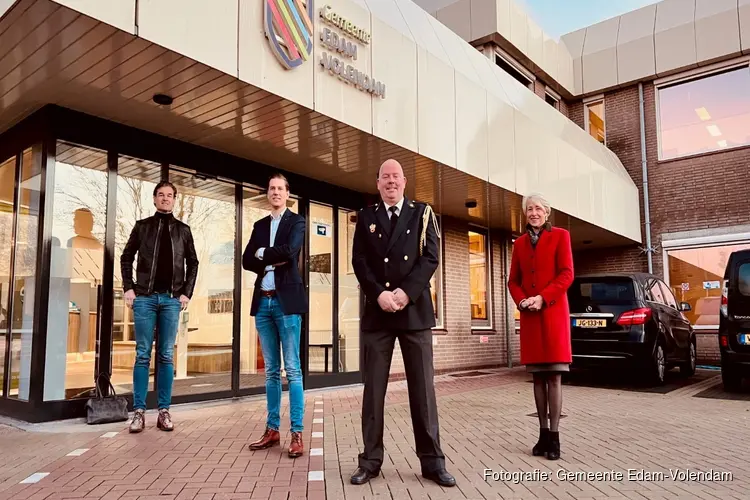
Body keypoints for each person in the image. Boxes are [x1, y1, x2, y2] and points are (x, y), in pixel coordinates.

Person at [349, 159, 455, 487]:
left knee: (422, 391)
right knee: (374, 392)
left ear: (404, 182)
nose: (391, 182)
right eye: (385, 177)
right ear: (378, 183)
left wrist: (405, 293)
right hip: (378, 314)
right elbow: (360, 261)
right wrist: (378, 294)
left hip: (414, 311)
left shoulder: (423, 213)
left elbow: (431, 257)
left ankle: (432, 461)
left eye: (396, 177)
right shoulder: (366, 216)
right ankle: (370, 460)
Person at [121, 180, 199, 433]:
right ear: (154, 199)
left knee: (166, 355)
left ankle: (164, 411)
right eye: (161, 195)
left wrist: (185, 293)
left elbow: (193, 263)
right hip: (144, 297)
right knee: (143, 354)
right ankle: (139, 412)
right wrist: (128, 287)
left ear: (174, 200)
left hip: (171, 300)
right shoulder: (142, 227)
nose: (165, 199)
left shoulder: (183, 230)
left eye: (170, 195)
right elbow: (126, 257)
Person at [243, 173, 307, 458]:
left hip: (287, 303)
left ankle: (296, 432)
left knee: (292, 369)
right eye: (272, 188)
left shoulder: (297, 221)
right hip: (264, 302)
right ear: (267, 193)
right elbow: (246, 259)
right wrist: (272, 257)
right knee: (270, 372)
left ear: (287, 193)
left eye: (280, 188)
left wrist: (262, 254)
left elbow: (290, 251)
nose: (276, 192)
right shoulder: (259, 225)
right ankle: (272, 430)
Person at [507, 193, 574, 461]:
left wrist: (543, 297)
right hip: (530, 317)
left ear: (547, 212)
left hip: (553, 314)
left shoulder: (561, 236)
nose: (534, 213)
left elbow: (567, 273)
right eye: (529, 209)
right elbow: (513, 280)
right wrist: (522, 299)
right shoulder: (519, 244)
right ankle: (542, 434)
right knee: (537, 377)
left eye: (538, 209)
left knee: (554, 376)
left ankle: (555, 438)